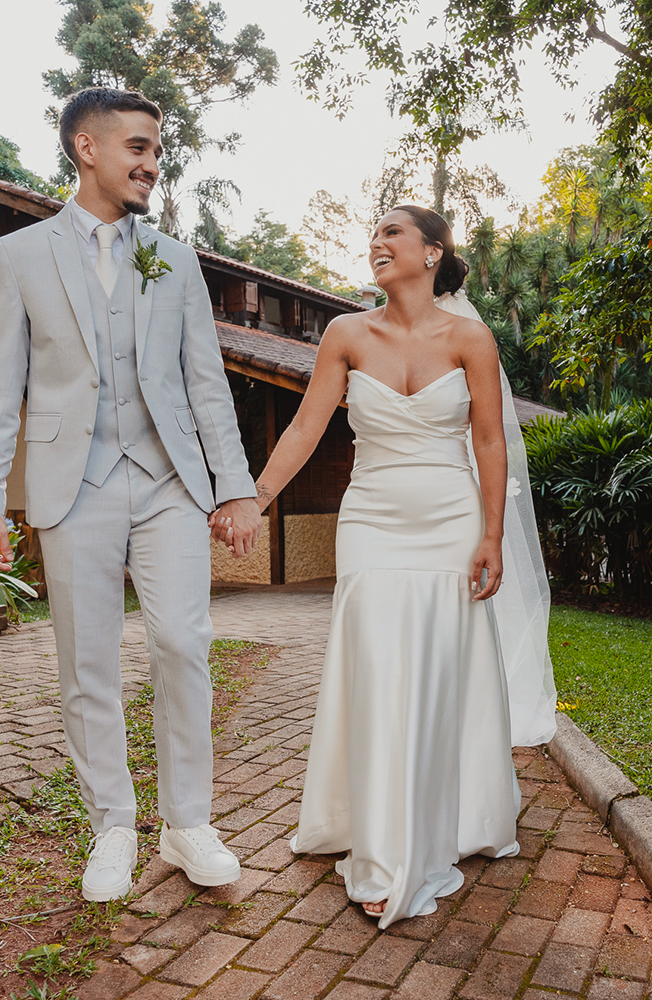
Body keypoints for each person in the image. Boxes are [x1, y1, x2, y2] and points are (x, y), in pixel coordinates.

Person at [0, 87, 264, 902]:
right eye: (137, 147)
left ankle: (188, 823)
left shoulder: (174, 257)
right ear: (85, 148)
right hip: (73, 485)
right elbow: (2, 388)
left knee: (182, 642)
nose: (151, 164)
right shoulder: (20, 254)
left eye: (156, 151)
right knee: (87, 664)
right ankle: (113, 826)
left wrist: (235, 488)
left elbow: (206, 385)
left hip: (167, 480)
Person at [253, 205, 557, 927]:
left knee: (443, 668)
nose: (377, 242)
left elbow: (489, 441)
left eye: (393, 232)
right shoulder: (346, 334)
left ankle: (455, 814)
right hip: (373, 522)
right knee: (381, 666)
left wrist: (491, 535)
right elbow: (306, 425)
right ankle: (385, 847)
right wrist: (256, 496)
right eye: (373, 235)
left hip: (450, 521)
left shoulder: (472, 338)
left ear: (431, 252)